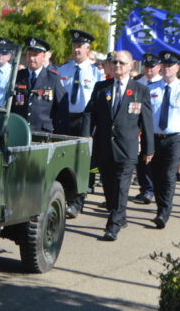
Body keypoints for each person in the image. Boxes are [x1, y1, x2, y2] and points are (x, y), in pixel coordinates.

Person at [83, 50, 154, 241]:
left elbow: (146, 122)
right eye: (114, 62)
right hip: (104, 146)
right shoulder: (101, 87)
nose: (117, 66)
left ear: (131, 66)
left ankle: (112, 225)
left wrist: (149, 149)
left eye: (122, 63)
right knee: (109, 187)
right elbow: (90, 114)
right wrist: (85, 139)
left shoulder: (140, 90)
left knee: (122, 186)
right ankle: (120, 215)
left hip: (127, 148)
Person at [147, 50, 180, 229]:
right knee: (155, 174)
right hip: (154, 138)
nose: (166, 68)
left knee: (169, 175)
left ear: (177, 67)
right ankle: (160, 205)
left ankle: (163, 212)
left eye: (170, 65)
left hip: (174, 139)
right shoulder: (151, 88)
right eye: (164, 65)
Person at [57, 29, 105, 218]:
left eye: (80, 46)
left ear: (88, 49)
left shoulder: (96, 71)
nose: (76, 50)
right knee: (64, 159)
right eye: (75, 46)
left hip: (86, 118)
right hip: (65, 118)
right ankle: (65, 197)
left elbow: (100, 100)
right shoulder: (64, 69)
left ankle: (78, 201)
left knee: (82, 161)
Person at [11, 37, 69, 134]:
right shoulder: (17, 77)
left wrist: (59, 137)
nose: (31, 58)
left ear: (43, 56)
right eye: (29, 54)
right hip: (20, 132)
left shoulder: (53, 79)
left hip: (43, 134)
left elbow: (62, 111)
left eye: (35, 55)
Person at [133, 52, 162, 205]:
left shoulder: (163, 84)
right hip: (139, 127)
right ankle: (145, 189)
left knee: (153, 161)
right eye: (146, 66)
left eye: (152, 66)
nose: (149, 69)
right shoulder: (137, 82)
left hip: (156, 129)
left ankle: (152, 190)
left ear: (158, 67)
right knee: (141, 161)